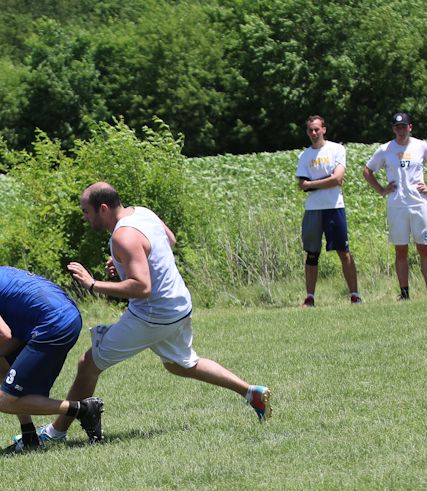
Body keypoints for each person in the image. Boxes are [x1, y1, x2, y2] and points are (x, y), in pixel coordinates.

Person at [24, 182, 269, 450]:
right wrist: (127, 260)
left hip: (153, 315)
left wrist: (92, 284)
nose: (85, 217)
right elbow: (169, 241)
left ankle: (56, 432)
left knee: (88, 364)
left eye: (86, 211)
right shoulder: (142, 212)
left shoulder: (123, 236)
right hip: (178, 305)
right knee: (181, 364)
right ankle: (251, 392)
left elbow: (142, 288)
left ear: (102, 208)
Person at [0, 252, 103, 452]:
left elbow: (1, 333)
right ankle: (30, 437)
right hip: (65, 316)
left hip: (53, 324)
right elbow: (12, 337)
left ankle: (84, 409)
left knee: (4, 402)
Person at [362, 112, 427, 300]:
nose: (400, 130)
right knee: (401, 250)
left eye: (403, 126)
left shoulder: (421, 146)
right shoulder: (386, 149)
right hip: (397, 205)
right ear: (393, 129)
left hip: (418, 203)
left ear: (410, 127)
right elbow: (367, 171)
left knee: (424, 247)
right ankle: (404, 293)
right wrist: (381, 190)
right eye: (397, 127)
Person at [296, 115, 361, 306]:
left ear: (324, 129)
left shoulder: (337, 149)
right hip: (313, 209)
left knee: (343, 251)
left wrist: (312, 184)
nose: (314, 133)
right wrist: (327, 180)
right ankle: (310, 297)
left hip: (334, 207)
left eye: (317, 129)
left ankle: (355, 295)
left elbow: (338, 178)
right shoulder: (304, 156)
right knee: (312, 254)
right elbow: (302, 184)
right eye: (310, 130)